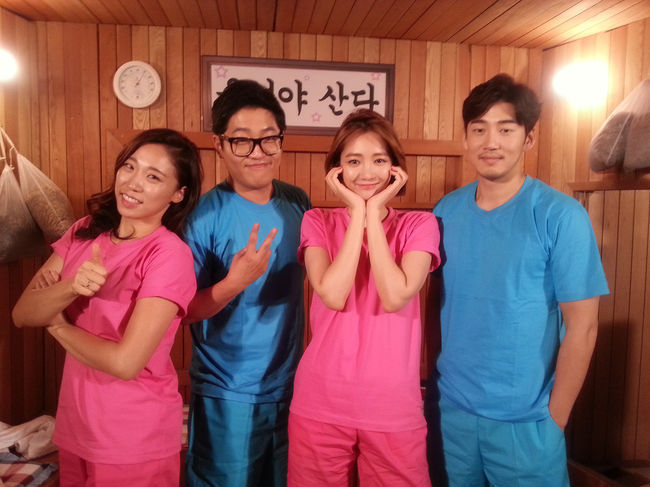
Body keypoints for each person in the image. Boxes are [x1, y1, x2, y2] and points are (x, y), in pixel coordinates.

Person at [424, 73, 609, 486]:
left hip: (528, 421)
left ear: (528, 138)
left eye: (506, 129)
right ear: (466, 138)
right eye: (479, 130)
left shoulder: (560, 215)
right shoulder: (445, 211)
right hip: (453, 411)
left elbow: (583, 326)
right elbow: (437, 304)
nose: (491, 142)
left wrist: (555, 418)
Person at [12, 128, 203, 486]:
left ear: (178, 194)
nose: (133, 183)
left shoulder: (169, 255)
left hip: (132, 438)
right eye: (129, 166)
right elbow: (23, 313)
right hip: (76, 425)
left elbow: (126, 363)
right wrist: (72, 286)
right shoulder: (85, 231)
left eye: (153, 177)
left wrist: (57, 324)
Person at [288, 109, 440, 486]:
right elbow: (333, 293)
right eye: (354, 161)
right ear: (337, 168)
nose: (366, 172)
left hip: (393, 406)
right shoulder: (317, 221)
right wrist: (358, 211)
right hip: (320, 401)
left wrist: (373, 214)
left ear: (395, 168)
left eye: (379, 160)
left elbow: (395, 295)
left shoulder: (419, 225)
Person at [183, 79, 311, 486]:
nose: (258, 152)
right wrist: (233, 283)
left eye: (268, 139)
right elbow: (183, 310)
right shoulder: (203, 216)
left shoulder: (298, 202)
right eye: (242, 141)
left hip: (292, 385)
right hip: (227, 391)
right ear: (219, 144)